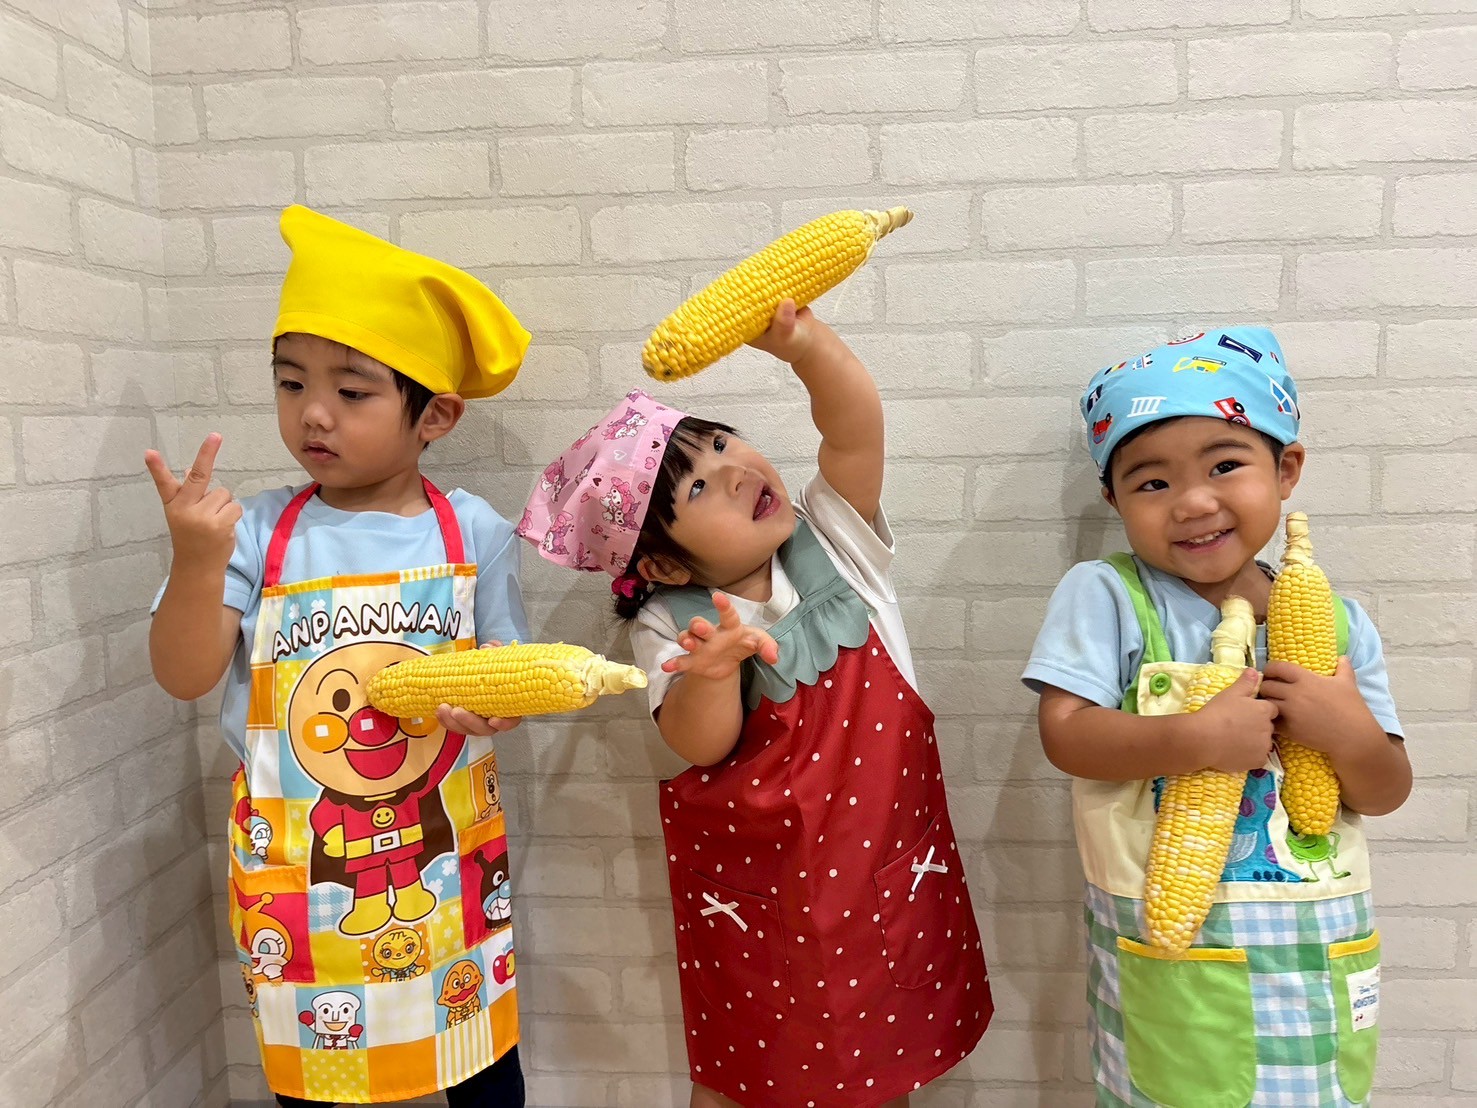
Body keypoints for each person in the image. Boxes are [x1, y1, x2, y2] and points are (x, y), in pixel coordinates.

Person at [517, 301, 992, 1108]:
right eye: (701, 485)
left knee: (885, 1070)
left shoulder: (836, 538)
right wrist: (708, 675)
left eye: (722, 442)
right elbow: (699, 747)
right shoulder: (667, 623)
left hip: (880, 875)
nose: (737, 470)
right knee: (749, 1079)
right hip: (759, 899)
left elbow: (855, 432)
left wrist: (805, 347)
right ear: (663, 567)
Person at [147, 206, 532, 1106]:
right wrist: (197, 560)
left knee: (481, 1077)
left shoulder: (472, 531)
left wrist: (499, 703)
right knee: (318, 1088)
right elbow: (183, 675)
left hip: (443, 872)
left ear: (435, 415)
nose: (311, 413)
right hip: (303, 877)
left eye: (352, 392)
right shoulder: (255, 532)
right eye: (290, 383)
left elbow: (510, 671)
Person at [1022, 328, 1411, 1106]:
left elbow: (1384, 790)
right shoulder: (1107, 595)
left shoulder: (1339, 624)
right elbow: (1065, 734)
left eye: (1224, 466)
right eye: (1150, 482)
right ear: (1113, 500)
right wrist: (1191, 738)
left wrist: (1346, 732)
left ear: (1286, 469)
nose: (1192, 502)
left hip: (1316, 944)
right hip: (1172, 945)